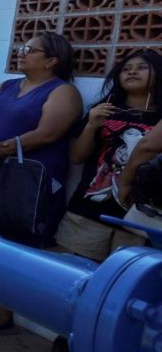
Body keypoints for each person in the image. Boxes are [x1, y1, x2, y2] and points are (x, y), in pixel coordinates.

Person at [0, 32, 82, 334]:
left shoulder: (63, 92)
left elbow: (47, 133)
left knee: (19, 242)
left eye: (30, 49)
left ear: (51, 60)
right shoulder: (6, 86)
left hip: (31, 181)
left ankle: (4, 311)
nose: (21, 51)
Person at [57, 50, 160, 258]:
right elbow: (76, 157)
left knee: (125, 274)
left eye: (142, 68)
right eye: (126, 69)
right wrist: (91, 126)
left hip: (141, 217)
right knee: (71, 268)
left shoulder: (159, 118)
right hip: (88, 211)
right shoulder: (104, 111)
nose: (132, 72)